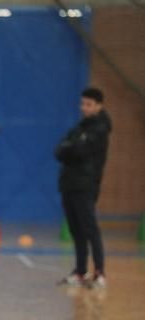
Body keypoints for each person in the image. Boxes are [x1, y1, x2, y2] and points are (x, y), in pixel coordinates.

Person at [55, 87, 111, 289]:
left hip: (85, 185)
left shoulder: (100, 128)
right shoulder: (80, 127)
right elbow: (59, 150)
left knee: (89, 228)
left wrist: (72, 148)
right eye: (82, 104)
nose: (84, 108)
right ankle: (80, 271)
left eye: (88, 104)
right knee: (76, 230)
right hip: (69, 184)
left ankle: (99, 272)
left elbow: (79, 151)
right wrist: (71, 147)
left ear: (98, 106)